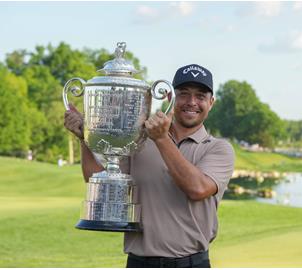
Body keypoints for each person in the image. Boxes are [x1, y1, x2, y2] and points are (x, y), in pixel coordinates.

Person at [64, 64, 235, 268]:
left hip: (190, 263)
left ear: (211, 102)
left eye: (200, 96)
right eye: (183, 94)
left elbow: (197, 188)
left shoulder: (218, 148)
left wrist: (162, 139)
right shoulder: (141, 141)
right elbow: (101, 184)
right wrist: (85, 139)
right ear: (170, 97)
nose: (191, 102)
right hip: (139, 262)